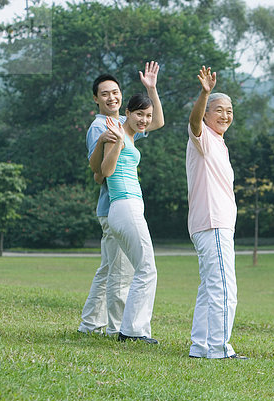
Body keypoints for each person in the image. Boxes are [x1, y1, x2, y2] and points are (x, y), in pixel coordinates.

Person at [79, 62, 162, 337]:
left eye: (115, 92)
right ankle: (118, 327)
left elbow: (157, 121)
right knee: (121, 271)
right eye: (105, 94)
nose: (111, 97)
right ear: (96, 99)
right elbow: (99, 173)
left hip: (120, 204)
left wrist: (151, 88)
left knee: (110, 268)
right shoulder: (101, 127)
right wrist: (109, 142)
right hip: (114, 204)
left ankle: (90, 324)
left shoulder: (124, 126)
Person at [186, 66, 245, 359]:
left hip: (214, 224)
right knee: (223, 288)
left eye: (229, 111)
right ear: (208, 113)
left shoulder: (220, 143)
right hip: (212, 222)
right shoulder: (203, 136)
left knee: (210, 288)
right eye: (219, 110)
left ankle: (200, 346)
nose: (225, 115)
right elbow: (194, 120)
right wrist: (205, 92)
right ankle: (220, 349)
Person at [101, 89, 164, 344]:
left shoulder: (132, 134)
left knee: (144, 268)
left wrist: (152, 89)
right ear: (127, 112)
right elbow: (105, 170)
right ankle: (132, 331)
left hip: (131, 207)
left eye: (146, 115)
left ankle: (134, 329)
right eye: (139, 113)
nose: (145, 120)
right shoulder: (117, 132)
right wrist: (116, 143)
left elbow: (159, 121)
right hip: (124, 204)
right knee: (147, 268)